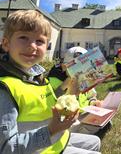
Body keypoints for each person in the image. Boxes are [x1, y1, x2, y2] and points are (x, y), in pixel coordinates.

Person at [0, 10, 100, 153]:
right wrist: (51, 130)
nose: (32, 46)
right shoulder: (5, 89)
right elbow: (6, 148)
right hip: (42, 147)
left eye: (39, 41)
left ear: (47, 46)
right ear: (6, 44)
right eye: (23, 37)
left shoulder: (36, 75)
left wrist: (70, 93)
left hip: (57, 139)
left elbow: (45, 102)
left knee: (95, 142)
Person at [48, 46, 104, 135]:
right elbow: (50, 103)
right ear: (64, 66)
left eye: (82, 66)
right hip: (63, 119)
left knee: (104, 121)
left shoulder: (84, 77)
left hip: (82, 113)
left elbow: (90, 96)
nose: (78, 70)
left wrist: (93, 102)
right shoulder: (54, 79)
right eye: (74, 66)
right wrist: (63, 87)